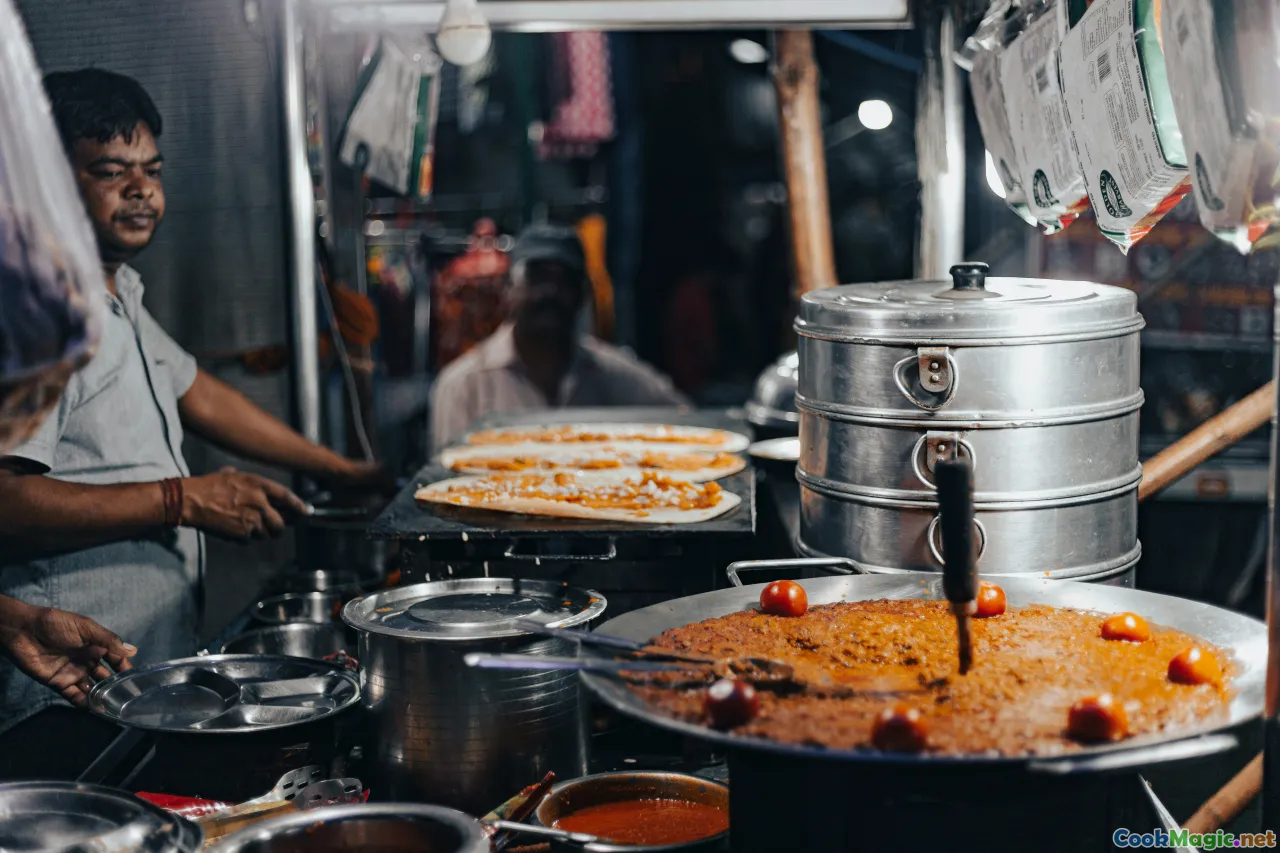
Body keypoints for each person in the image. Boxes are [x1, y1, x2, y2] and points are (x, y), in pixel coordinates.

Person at [0, 68, 379, 776]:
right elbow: (8, 500)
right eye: (111, 171)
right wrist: (183, 498)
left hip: (133, 679)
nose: (141, 190)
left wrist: (345, 470)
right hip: (61, 696)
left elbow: (198, 391)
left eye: (151, 169)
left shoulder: (116, 293)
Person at [430, 224, 690, 450]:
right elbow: (446, 481)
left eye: (564, 280)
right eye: (536, 278)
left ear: (582, 294)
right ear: (508, 289)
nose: (550, 292)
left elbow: (688, 422)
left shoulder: (616, 376)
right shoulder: (464, 387)